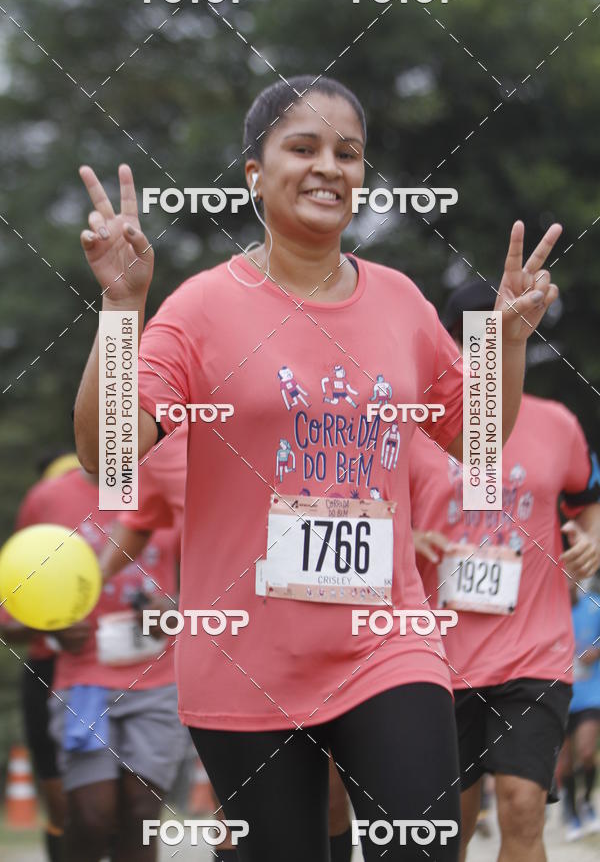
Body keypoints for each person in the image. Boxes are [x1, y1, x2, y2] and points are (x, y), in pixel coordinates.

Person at [73, 74, 561, 862]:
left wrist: (504, 345)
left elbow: (476, 446)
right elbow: (111, 460)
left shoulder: (401, 302)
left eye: (348, 153)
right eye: (302, 148)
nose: (329, 167)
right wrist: (122, 310)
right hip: (244, 661)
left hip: (388, 642)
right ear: (254, 173)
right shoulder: (200, 307)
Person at [100, 422, 354, 861]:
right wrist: (88, 581)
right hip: (233, 641)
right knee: (237, 802)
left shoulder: (311, 425)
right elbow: (138, 520)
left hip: (322, 629)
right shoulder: (171, 448)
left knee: (329, 799)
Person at [409, 280, 600, 862]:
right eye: (469, 339)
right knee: (453, 825)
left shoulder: (557, 424)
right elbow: (368, 509)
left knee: (521, 806)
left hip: (534, 653)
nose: (482, 352)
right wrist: (405, 538)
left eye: (495, 337)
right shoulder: (415, 428)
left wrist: (591, 542)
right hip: (435, 656)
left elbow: (587, 501)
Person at [13, 460, 187, 862]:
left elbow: (215, 586)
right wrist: (50, 628)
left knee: (141, 814)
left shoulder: (172, 488)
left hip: (159, 680)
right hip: (83, 682)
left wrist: (174, 608)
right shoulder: (48, 499)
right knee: (93, 815)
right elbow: (12, 607)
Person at [0, 452, 83, 862]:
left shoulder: (128, 532)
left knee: (118, 805)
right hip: (47, 674)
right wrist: (51, 626)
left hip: (120, 679)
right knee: (60, 802)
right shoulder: (31, 552)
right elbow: (7, 623)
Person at [557, 580, 600, 841]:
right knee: (564, 763)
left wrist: (597, 651)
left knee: (586, 752)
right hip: (559, 697)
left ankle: (586, 801)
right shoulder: (549, 610)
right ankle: (570, 811)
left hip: (590, 694)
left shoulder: (595, 604)